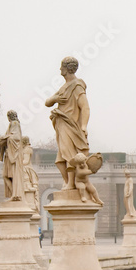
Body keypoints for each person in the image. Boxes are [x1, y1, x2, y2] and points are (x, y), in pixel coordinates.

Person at [45, 56, 91, 190]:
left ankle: (71, 183)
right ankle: (67, 182)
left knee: (69, 155)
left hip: (70, 125)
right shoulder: (64, 87)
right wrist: (55, 98)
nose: (60, 69)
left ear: (67, 68)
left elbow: (85, 107)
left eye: (62, 66)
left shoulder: (77, 86)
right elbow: (47, 102)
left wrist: (84, 126)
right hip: (61, 125)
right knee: (60, 160)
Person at [0, 110, 26, 202]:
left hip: (13, 155)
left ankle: (15, 195)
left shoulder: (15, 123)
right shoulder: (13, 124)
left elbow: (16, 138)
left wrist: (4, 138)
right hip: (9, 155)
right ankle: (14, 194)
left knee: (12, 176)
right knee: (5, 176)